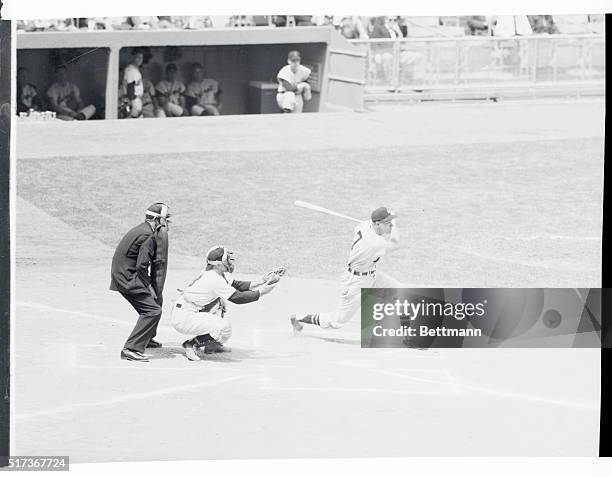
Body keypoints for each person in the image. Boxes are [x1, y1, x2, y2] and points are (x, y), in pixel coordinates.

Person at [291, 207, 402, 332]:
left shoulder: (363, 226)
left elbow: (367, 224)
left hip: (372, 275)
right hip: (356, 282)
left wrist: (386, 221)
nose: (390, 226)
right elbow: (395, 244)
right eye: (388, 224)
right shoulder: (374, 243)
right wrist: (395, 224)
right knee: (337, 321)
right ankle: (299, 317)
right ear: (377, 224)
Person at [171, 246, 281, 361]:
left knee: (219, 305)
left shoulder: (218, 274)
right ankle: (191, 344)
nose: (229, 262)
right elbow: (238, 298)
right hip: (184, 317)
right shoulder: (214, 279)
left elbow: (238, 285)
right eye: (226, 260)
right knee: (224, 328)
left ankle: (211, 345)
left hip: (191, 309)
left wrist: (262, 281)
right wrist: (261, 292)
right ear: (218, 264)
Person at [111, 203, 170, 362]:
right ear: (158, 220)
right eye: (165, 220)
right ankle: (131, 349)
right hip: (128, 278)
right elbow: (142, 265)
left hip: (123, 274)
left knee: (157, 301)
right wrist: (148, 286)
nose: (166, 224)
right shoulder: (148, 236)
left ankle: (147, 338)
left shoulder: (140, 229)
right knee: (152, 311)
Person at [121, 48, 145, 118]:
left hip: (135, 100)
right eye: (138, 57)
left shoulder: (135, 70)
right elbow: (130, 89)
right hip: (133, 100)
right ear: (133, 57)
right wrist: (134, 105)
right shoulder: (131, 70)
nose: (140, 60)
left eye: (141, 57)